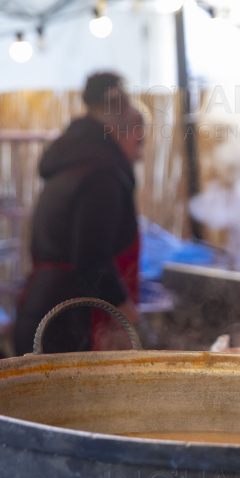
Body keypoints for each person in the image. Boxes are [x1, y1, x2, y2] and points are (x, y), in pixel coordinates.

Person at [14, 72, 144, 355]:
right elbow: (92, 258)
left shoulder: (76, 159)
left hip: (43, 310)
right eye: (139, 140)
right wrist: (130, 318)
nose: (141, 153)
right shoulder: (101, 173)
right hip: (66, 323)